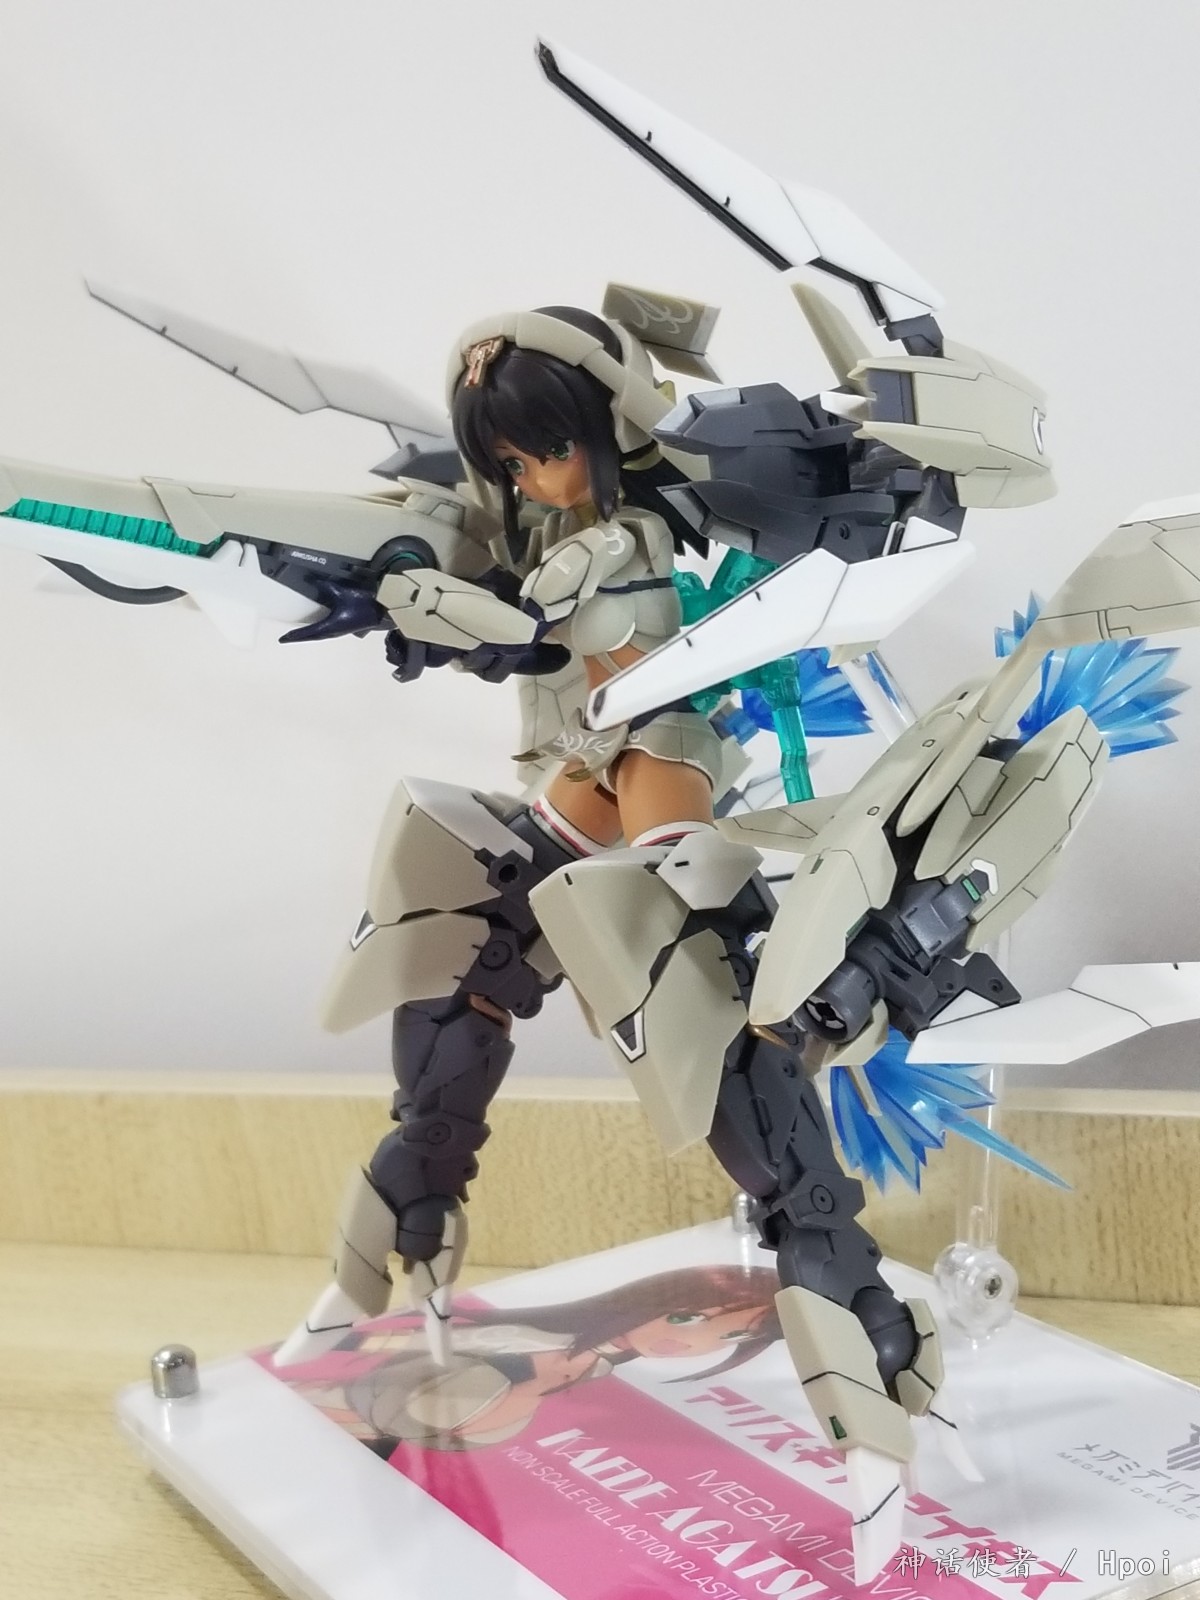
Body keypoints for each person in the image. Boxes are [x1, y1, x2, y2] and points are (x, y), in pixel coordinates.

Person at [285, 1264, 782, 1454]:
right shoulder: (529, 1337)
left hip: (380, 1447)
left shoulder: (598, 1366)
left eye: (733, 1335)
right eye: (686, 1317)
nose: (694, 1342)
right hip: (331, 1412)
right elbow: (401, 1343)